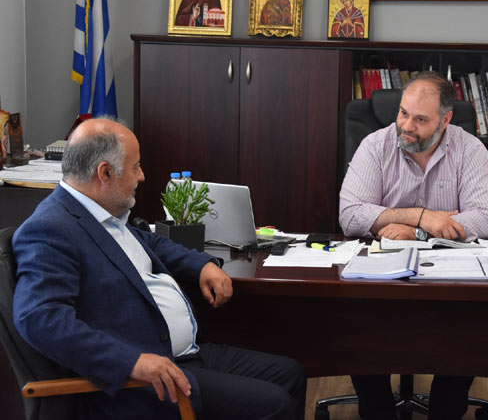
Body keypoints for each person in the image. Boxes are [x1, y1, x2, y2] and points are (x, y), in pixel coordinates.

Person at [12, 118, 306, 420]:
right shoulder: (50, 229)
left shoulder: (101, 215)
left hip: (184, 355)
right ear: (105, 172)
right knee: (274, 404)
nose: (142, 176)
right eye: (136, 167)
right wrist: (131, 361)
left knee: (291, 374)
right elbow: (39, 318)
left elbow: (150, 242)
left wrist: (202, 265)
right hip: (142, 381)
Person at [339, 71, 488, 419]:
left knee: (469, 323)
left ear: (446, 120)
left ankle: (446, 410)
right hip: (381, 273)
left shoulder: (469, 149)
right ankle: (377, 410)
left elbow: (487, 220)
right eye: (403, 113)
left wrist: (416, 233)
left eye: (421, 119)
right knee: (357, 321)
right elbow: (350, 215)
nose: (407, 126)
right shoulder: (376, 145)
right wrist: (424, 217)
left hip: (451, 275)